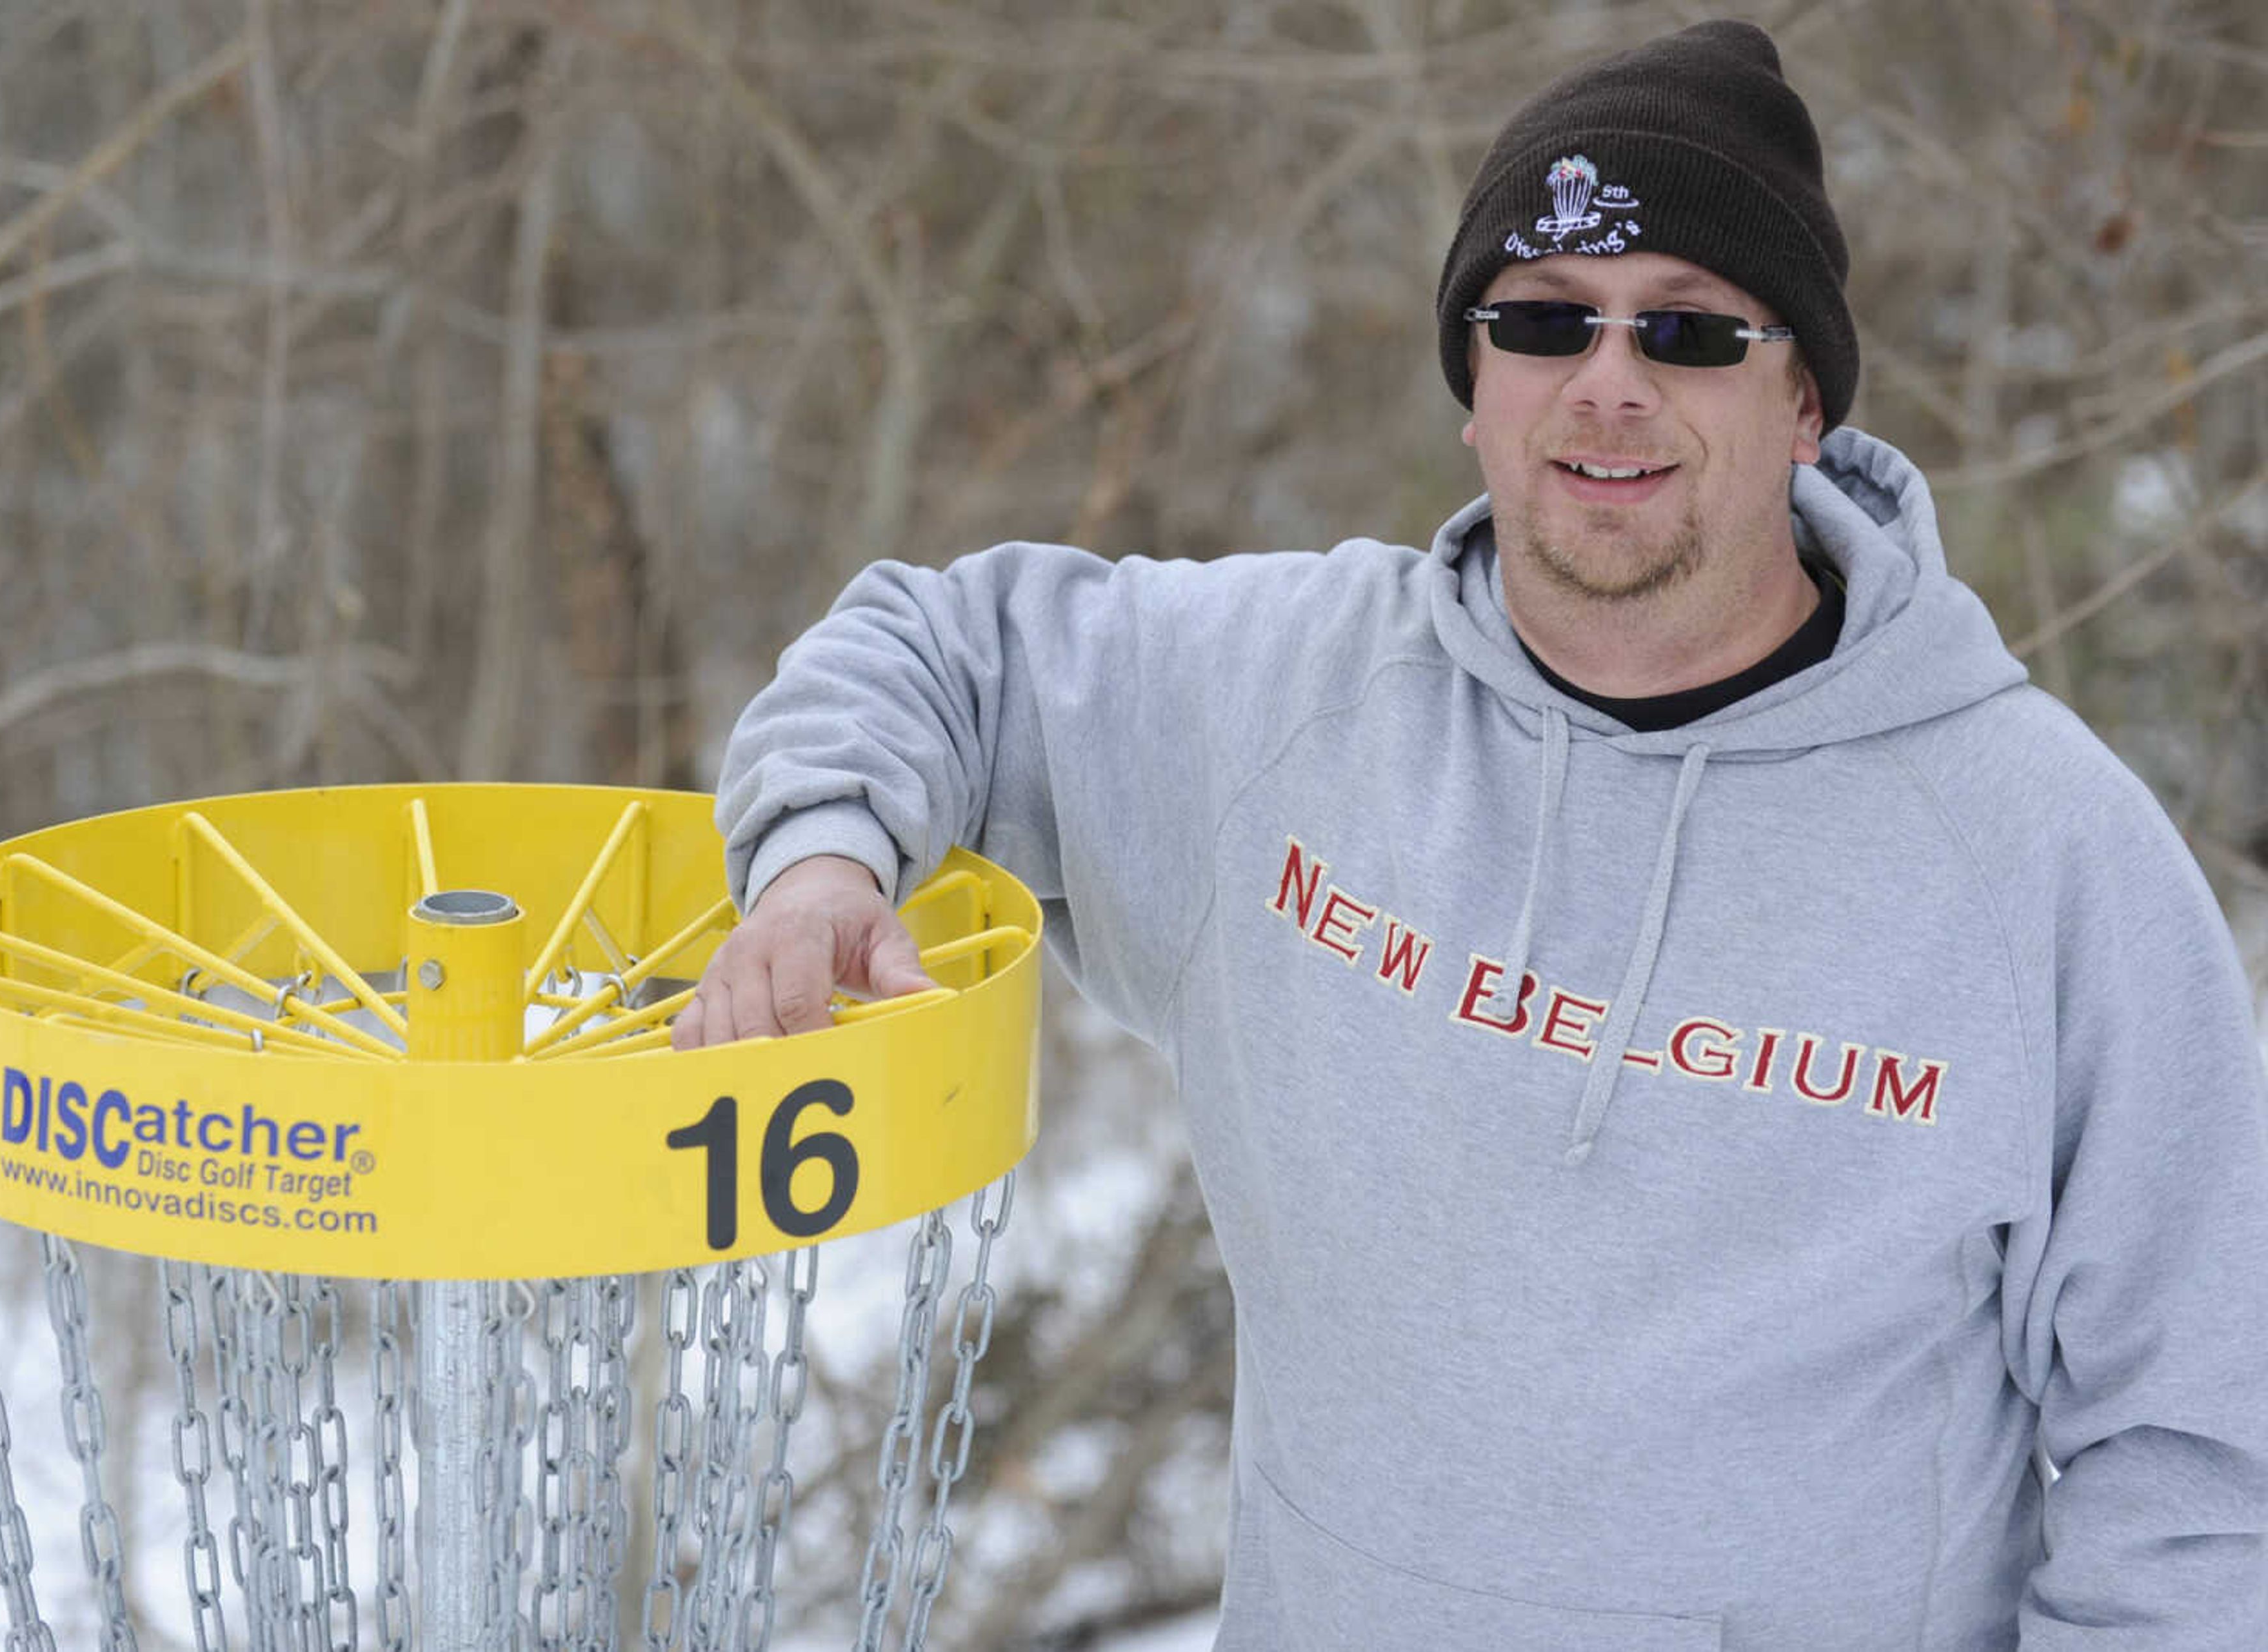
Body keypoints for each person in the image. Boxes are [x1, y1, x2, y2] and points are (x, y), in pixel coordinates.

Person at [677, 20, 2268, 1647]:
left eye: (1691, 333)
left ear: (1805, 402)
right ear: (1476, 390)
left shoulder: (2049, 861)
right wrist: (820, 863)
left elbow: (2204, 1461)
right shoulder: (1285, 705)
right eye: (1543, 321)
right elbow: (942, 648)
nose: (1609, 383)